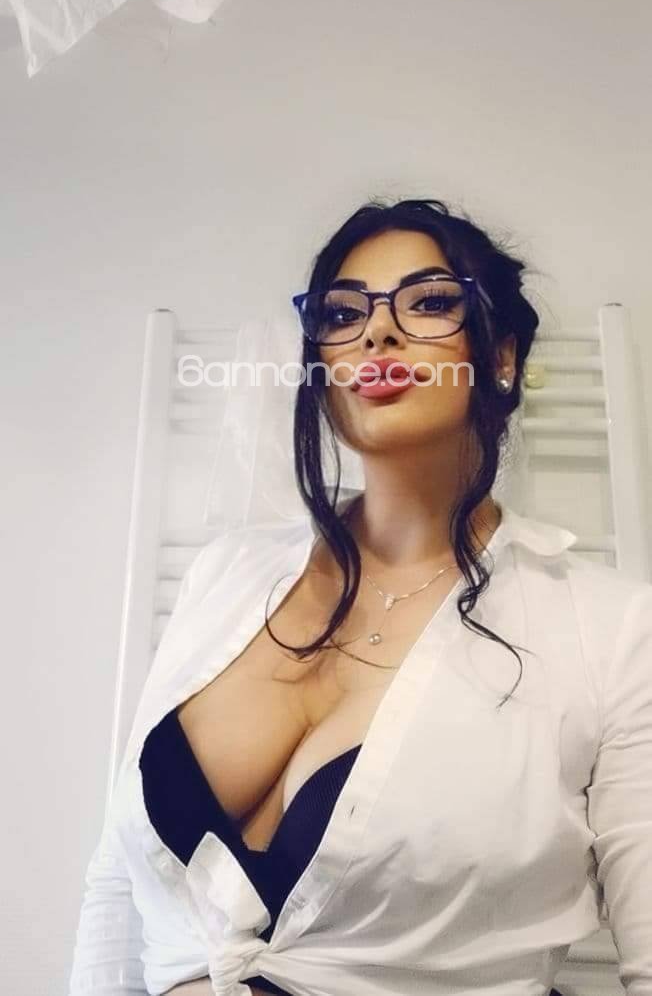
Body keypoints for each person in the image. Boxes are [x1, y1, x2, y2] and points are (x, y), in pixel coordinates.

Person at [68, 197, 652, 996]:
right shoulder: (225, 575)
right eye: (343, 314)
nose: (378, 332)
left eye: (430, 301)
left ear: (501, 356)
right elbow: (116, 886)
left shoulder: (614, 630)